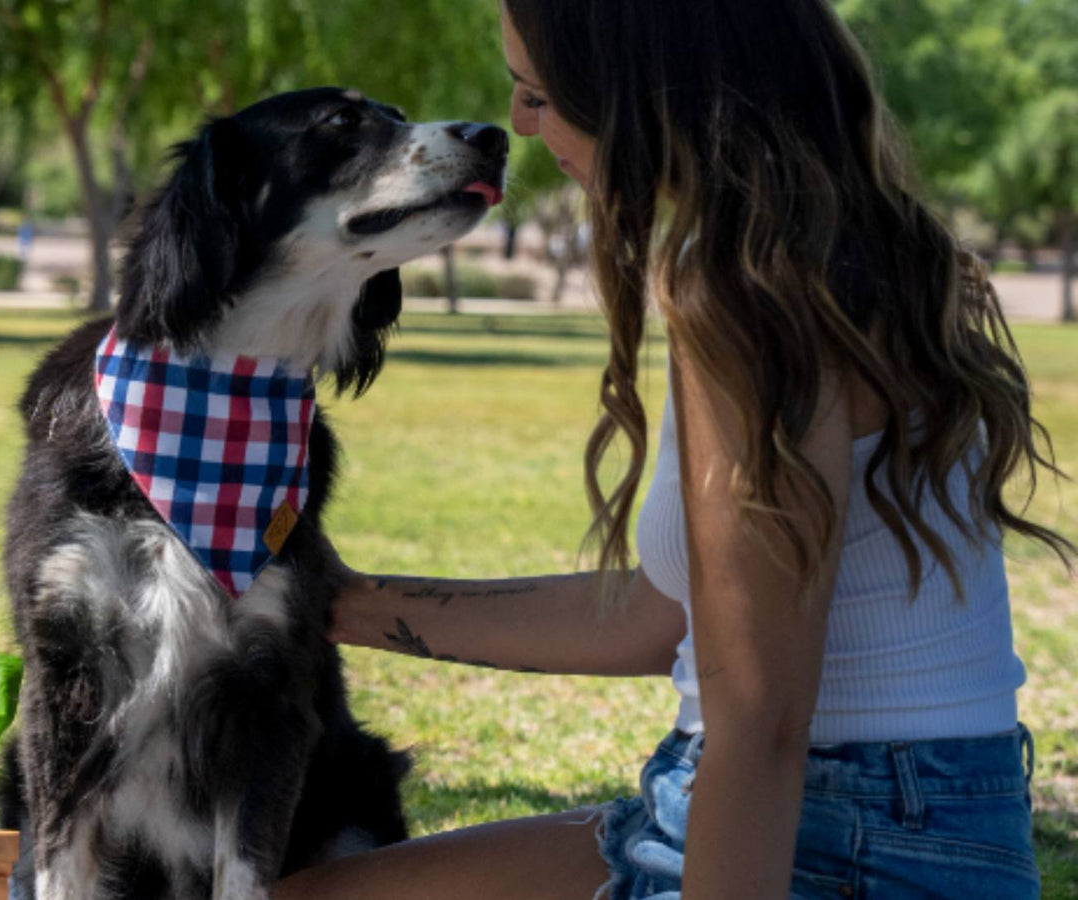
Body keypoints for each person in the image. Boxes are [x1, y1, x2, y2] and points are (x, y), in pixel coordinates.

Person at [274, 1, 1074, 898]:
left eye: (540, 92)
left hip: (844, 833)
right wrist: (338, 603)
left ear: (646, 95)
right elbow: (670, 616)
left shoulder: (744, 290)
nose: (523, 122)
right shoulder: (834, 250)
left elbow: (761, 717)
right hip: (916, 810)